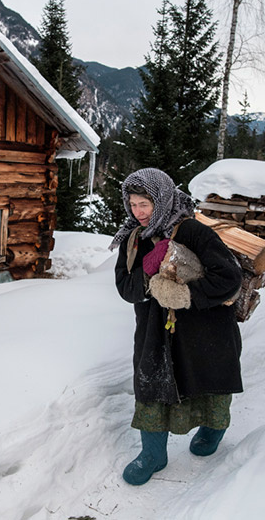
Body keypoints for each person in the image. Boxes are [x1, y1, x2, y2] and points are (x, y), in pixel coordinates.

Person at [109, 168, 244, 486]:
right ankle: (153, 455)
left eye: (145, 204)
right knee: (151, 388)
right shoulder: (133, 239)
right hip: (155, 333)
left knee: (210, 384)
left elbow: (229, 278)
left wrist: (185, 294)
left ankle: (212, 432)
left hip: (205, 331)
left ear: (162, 199)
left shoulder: (193, 231)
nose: (138, 212)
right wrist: (147, 276)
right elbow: (124, 288)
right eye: (133, 204)